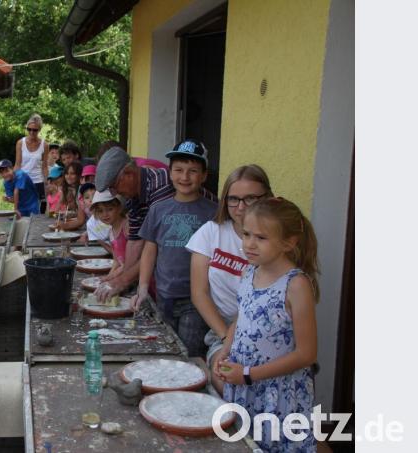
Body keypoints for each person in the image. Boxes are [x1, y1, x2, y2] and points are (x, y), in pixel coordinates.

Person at [214, 197, 319, 452]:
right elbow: (242, 317)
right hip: (243, 387)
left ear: (289, 242)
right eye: (246, 234)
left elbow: (307, 354)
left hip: (277, 395)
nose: (249, 244)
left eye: (261, 238)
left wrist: (248, 375)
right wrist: (224, 351)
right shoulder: (250, 271)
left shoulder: (296, 285)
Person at [186, 165, 274, 394]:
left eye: (250, 198)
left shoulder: (275, 240)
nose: (241, 207)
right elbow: (199, 293)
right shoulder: (211, 232)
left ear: (267, 197)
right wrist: (227, 336)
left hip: (268, 332)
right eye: (233, 199)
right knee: (227, 385)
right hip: (221, 330)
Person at [93, 144, 216, 301]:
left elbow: (158, 246)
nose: (114, 193)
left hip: (191, 280)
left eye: (114, 186)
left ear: (129, 174)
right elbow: (135, 242)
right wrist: (121, 279)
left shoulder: (161, 185)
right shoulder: (133, 194)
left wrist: (123, 281)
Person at [131, 140, 217, 357]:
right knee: (165, 350)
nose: (185, 177)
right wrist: (142, 286)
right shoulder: (158, 209)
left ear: (204, 176)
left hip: (196, 299)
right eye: (178, 170)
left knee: (189, 354)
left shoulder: (213, 213)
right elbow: (150, 250)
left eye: (193, 171)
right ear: (169, 173)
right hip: (164, 295)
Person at [14, 113, 48, 209]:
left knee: (39, 210)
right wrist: (13, 181)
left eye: (35, 130)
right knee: (23, 208)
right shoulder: (20, 143)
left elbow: (44, 166)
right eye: (29, 129)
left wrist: (47, 182)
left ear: (39, 130)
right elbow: (17, 164)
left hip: (38, 181)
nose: (31, 132)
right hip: (23, 180)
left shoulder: (44, 145)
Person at [89, 189, 127, 274]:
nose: (105, 214)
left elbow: (132, 261)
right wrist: (108, 277)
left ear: (119, 208)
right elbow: (116, 261)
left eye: (110, 209)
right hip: (123, 274)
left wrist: (111, 278)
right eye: (100, 211)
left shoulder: (127, 227)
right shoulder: (111, 232)